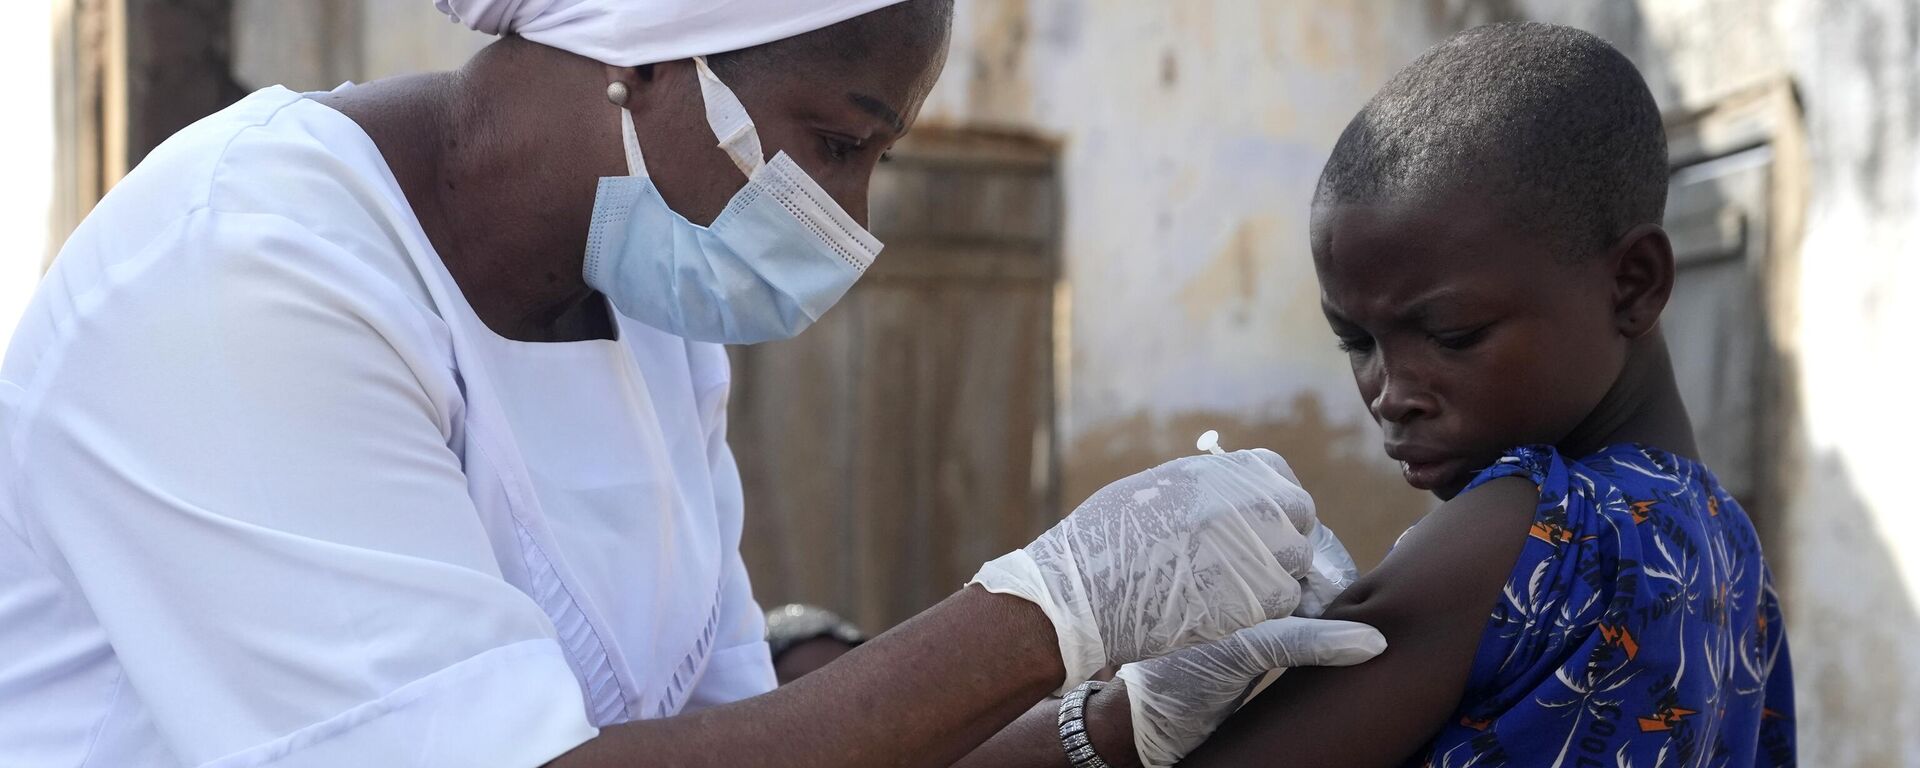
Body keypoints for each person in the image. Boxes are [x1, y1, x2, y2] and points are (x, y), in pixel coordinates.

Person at [0, 2, 1384, 766]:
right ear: (648, 57)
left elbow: (739, 742)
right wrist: (1045, 615)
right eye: (839, 142)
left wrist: (1103, 725)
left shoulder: (647, 315)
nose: (854, 213)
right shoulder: (250, 279)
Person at [1175, 23, 1796, 766]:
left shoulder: (1532, 530)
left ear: (1633, 285)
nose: (1390, 394)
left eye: (1454, 334)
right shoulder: (1732, 555)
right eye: (1357, 343)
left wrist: (1097, 690)